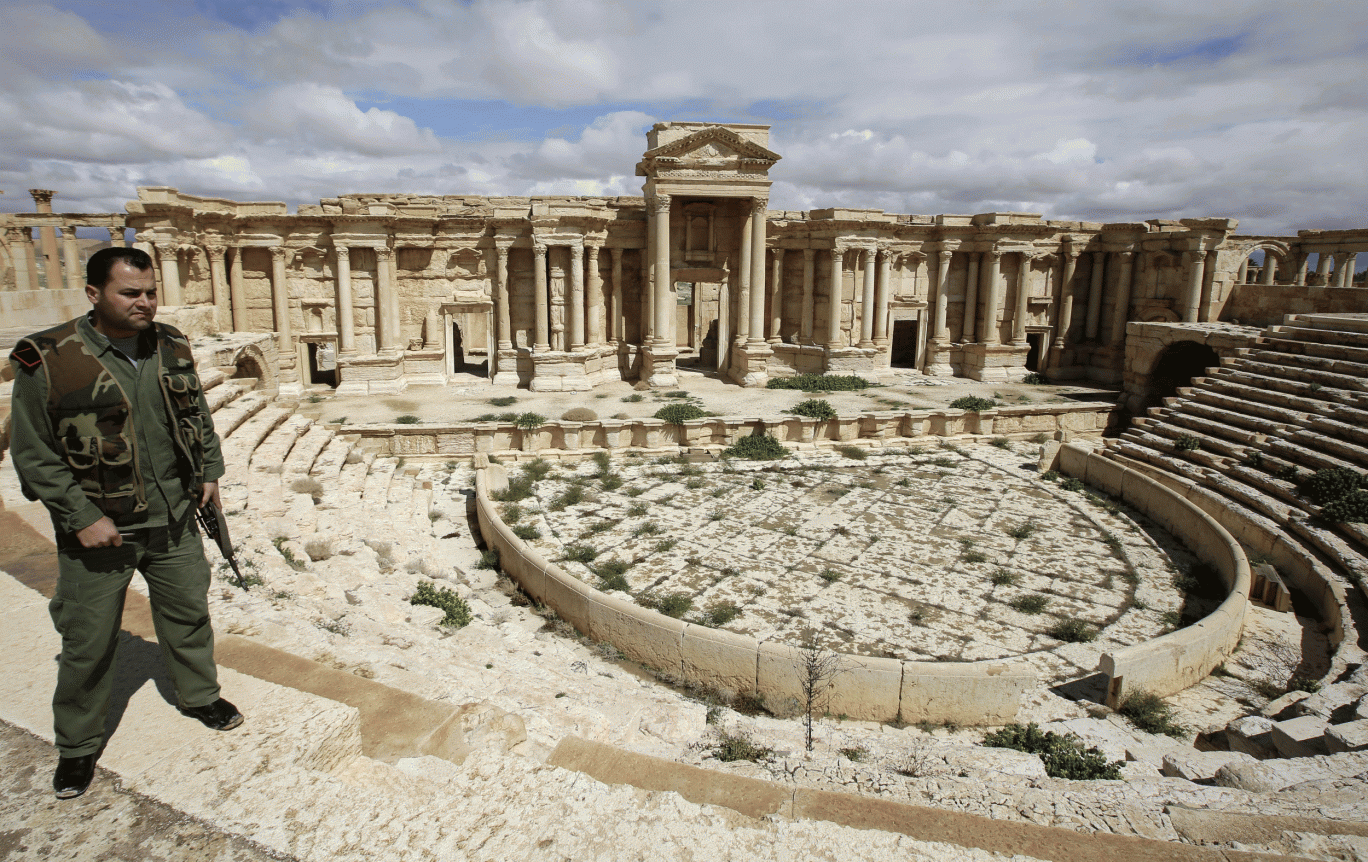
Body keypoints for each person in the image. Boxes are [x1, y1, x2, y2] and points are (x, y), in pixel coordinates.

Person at [8, 246, 243, 800]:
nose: (144, 302)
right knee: (88, 639)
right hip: (101, 528)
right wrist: (80, 516)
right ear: (94, 295)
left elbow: (196, 416)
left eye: (150, 292)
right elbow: (33, 453)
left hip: (174, 518)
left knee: (188, 614)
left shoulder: (170, 343)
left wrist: (209, 470)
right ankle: (78, 746)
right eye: (129, 293)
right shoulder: (49, 357)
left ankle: (198, 695)